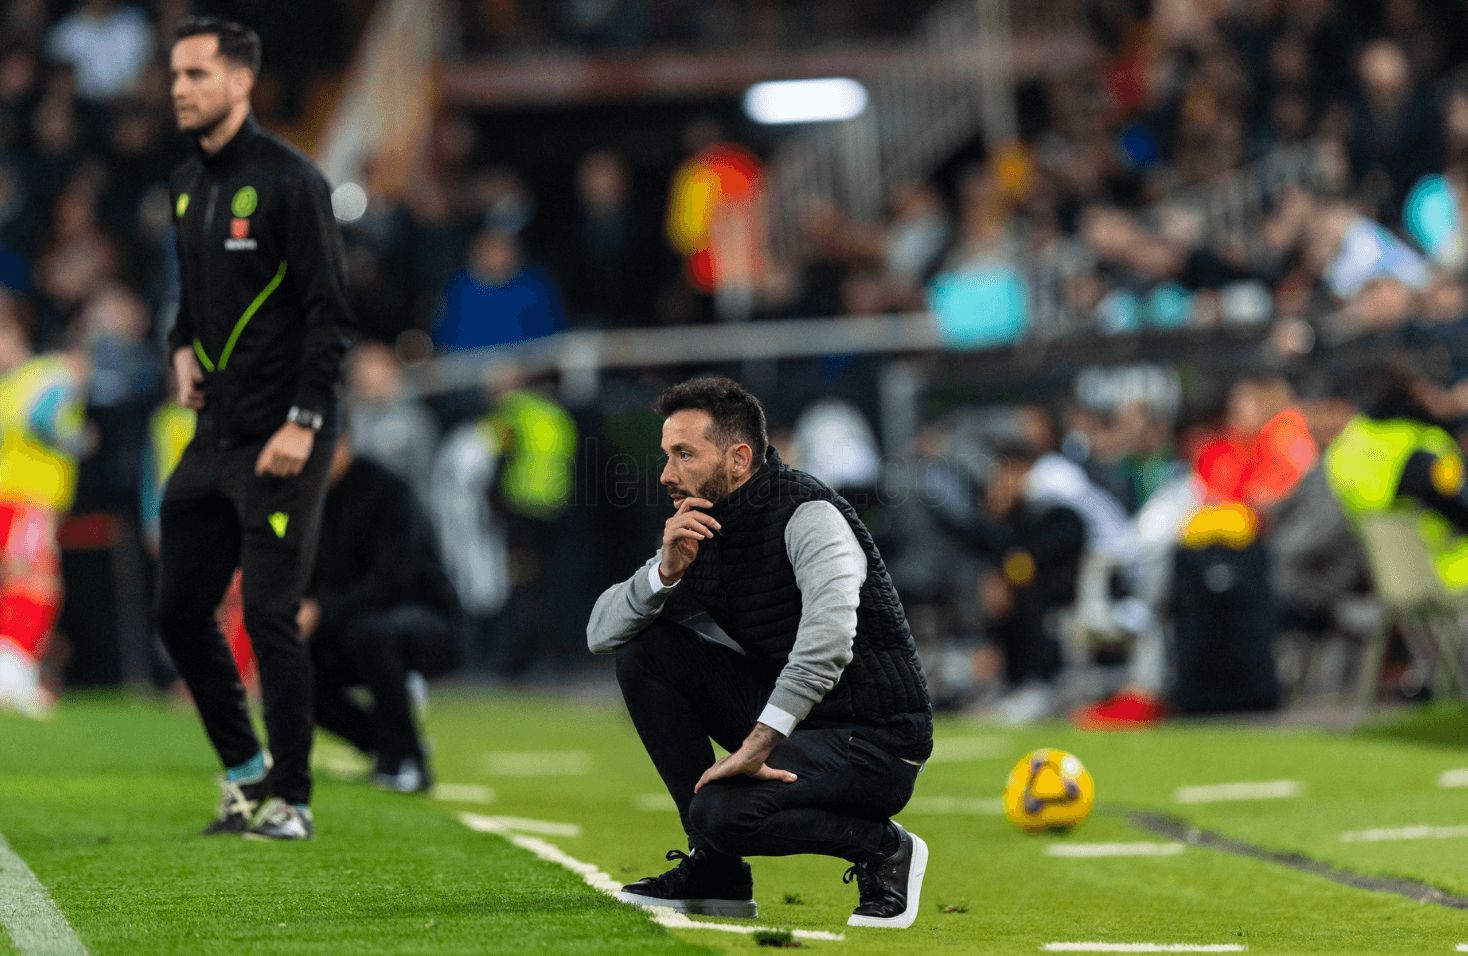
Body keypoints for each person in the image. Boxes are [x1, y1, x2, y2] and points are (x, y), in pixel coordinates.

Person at [588, 377, 933, 930]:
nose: (666, 474)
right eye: (667, 455)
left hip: (876, 739)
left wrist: (757, 744)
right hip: (804, 721)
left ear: (739, 458)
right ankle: (716, 874)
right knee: (645, 649)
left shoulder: (809, 513)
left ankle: (884, 848)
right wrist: (664, 573)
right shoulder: (701, 529)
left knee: (720, 814)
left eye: (684, 455)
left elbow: (827, 643)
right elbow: (601, 633)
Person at [154, 18, 355, 841]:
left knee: (270, 615)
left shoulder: (291, 181)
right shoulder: (185, 185)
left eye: (197, 74)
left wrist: (304, 422)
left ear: (241, 82)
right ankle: (244, 773)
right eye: (175, 74)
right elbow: (191, 306)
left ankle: (292, 798)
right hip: (215, 437)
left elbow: (330, 315)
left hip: (282, 434)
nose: (179, 88)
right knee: (177, 611)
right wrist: (178, 351)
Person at [303, 428, 462, 793]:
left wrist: (321, 609)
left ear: (343, 442)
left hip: (426, 619)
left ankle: (409, 761)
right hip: (350, 621)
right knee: (291, 662)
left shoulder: (386, 491)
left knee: (372, 633)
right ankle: (388, 743)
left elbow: (396, 579)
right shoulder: (312, 497)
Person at [0, 313, 90, 718]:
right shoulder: (53, 373)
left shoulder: (12, 384)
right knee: (35, 584)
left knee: (22, 580)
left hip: (12, 497)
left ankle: (16, 670)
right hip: (29, 497)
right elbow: (44, 420)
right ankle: (13, 672)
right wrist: (78, 441)